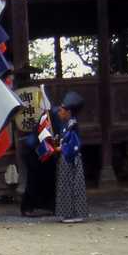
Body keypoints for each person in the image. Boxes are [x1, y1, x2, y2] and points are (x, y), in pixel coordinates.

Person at [54, 92, 88, 223]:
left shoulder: (73, 125)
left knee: (72, 185)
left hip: (71, 158)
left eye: (61, 110)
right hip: (66, 158)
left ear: (68, 112)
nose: (59, 112)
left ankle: (74, 214)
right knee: (66, 185)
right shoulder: (67, 125)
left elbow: (74, 144)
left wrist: (61, 148)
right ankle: (68, 213)